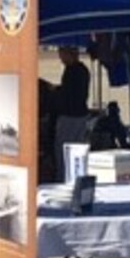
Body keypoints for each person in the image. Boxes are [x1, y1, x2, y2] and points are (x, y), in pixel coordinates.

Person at [54, 45, 92, 178]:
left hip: (70, 116)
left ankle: (64, 177)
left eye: (61, 54)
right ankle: (76, 177)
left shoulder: (72, 70)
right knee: (77, 149)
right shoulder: (83, 70)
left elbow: (69, 94)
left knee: (63, 151)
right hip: (81, 114)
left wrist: (56, 91)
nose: (60, 58)